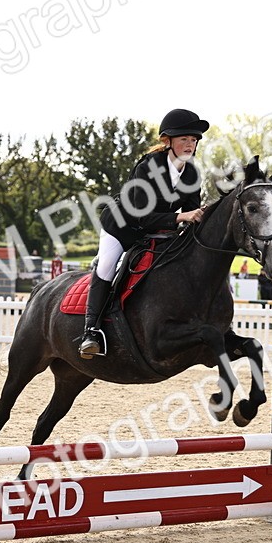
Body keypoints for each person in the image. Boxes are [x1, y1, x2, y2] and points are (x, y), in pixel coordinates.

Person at [78, 108, 210, 358]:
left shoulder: (192, 173)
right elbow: (141, 215)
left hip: (157, 230)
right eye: (184, 139)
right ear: (167, 141)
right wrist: (180, 217)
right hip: (122, 226)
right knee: (107, 265)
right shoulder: (149, 166)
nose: (189, 144)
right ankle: (91, 331)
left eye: (193, 140)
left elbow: (192, 212)